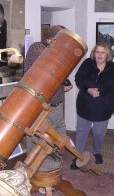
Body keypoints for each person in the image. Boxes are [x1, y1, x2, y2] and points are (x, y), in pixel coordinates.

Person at [24, 25, 73, 172]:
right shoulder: (37, 48)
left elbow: (57, 75)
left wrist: (64, 85)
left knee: (58, 138)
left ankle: (53, 169)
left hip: (57, 105)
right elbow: (51, 65)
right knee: (40, 142)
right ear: (50, 39)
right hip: (41, 107)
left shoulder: (56, 52)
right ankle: (37, 174)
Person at [70, 43, 114, 170]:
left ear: (107, 54)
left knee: (99, 133)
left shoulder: (112, 66)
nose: (99, 54)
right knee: (81, 131)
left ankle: (97, 152)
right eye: (97, 51)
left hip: (103, 106)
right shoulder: (87, 63)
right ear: (94, 53)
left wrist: (100, 91)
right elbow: (79, 78)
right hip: (85, 104)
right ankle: (77, 155)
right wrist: (88, 89)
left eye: (103, 52)